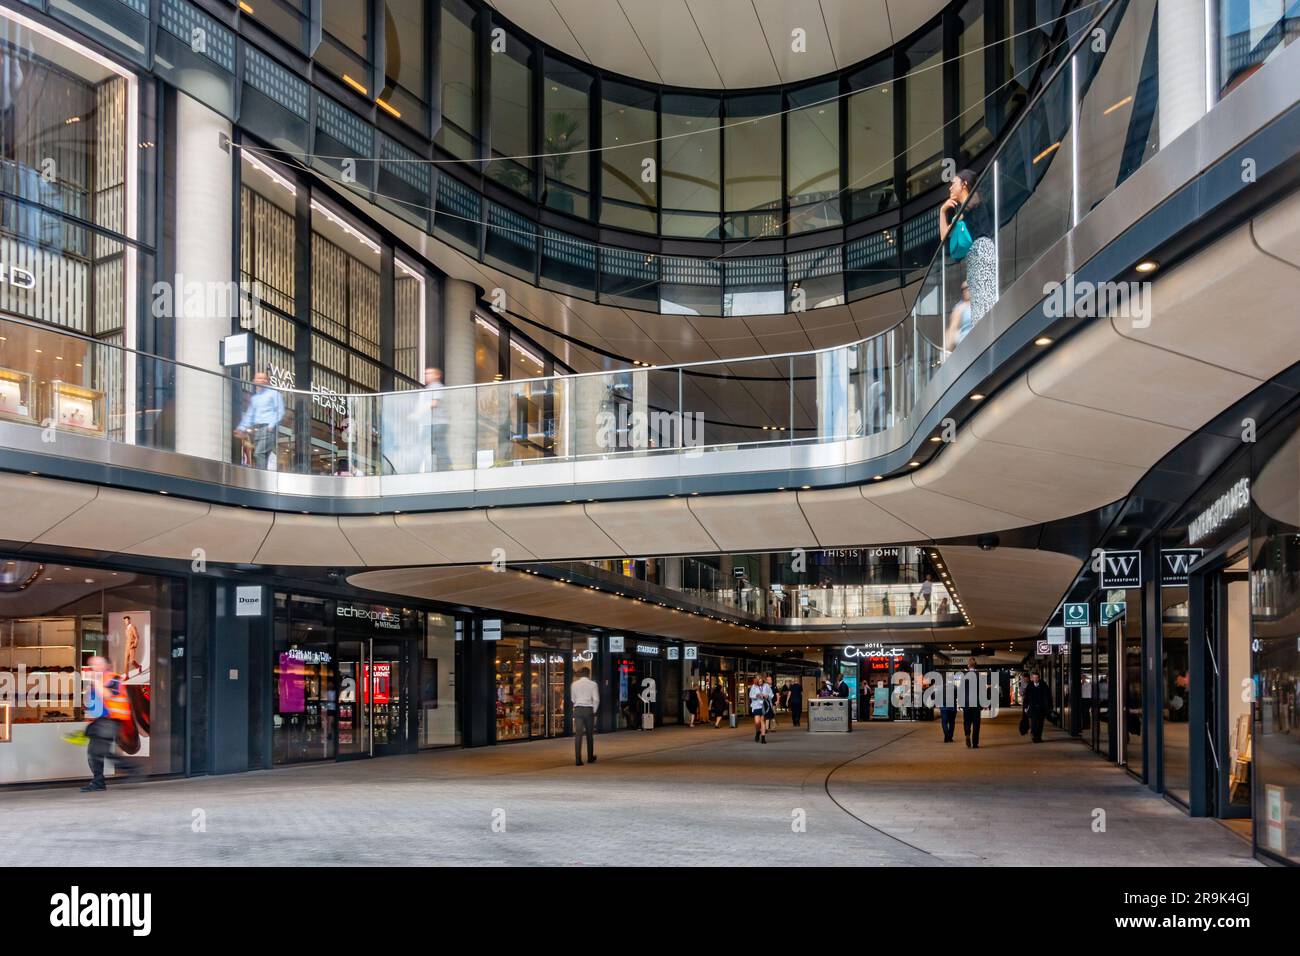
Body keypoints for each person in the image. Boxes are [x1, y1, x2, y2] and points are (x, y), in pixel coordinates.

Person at [938, 168, 997, 324]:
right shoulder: (962, 210)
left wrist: (955, 215)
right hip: (973, 256)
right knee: (978, 299)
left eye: (953, 183)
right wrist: (942, 212)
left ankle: (987, 328)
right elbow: (944, 236)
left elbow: (951, 230)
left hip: (981, 250)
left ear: (964, 184)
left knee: (984, 298)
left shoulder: (973, 200)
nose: (950, 188)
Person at [80, 656, 132, 792]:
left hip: (111, 720)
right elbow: (95, 705)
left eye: (97, 664)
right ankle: (99, 781)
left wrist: (96, 681)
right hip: (101, 721)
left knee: (98, 751)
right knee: (94, 752)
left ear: (106, 665)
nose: (94, 667)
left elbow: (108, 695)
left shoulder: (114, 678)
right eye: (92, 665)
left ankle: (131, 769)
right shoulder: (97, 681)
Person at [233, 371, 285, 469]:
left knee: (259, 454)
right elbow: (249, 415)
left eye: (264, 379)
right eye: (259, 378)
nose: (262, 381)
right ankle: (263, 477)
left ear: (268, 381)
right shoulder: (255, 398)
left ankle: (262, 477)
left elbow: (280, 411)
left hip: (268, 428)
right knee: (261, 455)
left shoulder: (274, 394)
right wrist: (241, 428)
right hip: (258, 430)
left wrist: (271, 425)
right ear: (254, 381)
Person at [421, 367, 450, 472]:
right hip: (431, 423)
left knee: (439, 447)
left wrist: (418, 412)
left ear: (437, 375)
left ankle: (445, 469)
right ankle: (434, 468)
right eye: (425, 373)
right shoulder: (428, 388)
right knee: (434, 447)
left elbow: (434, 403)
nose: (426, 375)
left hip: (437, 423)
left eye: (429, 373)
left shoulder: (437, 386)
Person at [570, 666, 599, 766]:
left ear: (581, 674)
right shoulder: (593, 684)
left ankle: (578, 759)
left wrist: (578, 703)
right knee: (589, 735)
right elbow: (596, 699)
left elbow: (573, 699)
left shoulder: (574, 684)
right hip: (588, 710)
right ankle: (590, 757)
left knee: (578, 735)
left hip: (578, 710)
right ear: (588, 674)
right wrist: (594, 710)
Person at [1024, 670, 1052, 743]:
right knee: (1034, 724)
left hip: (1041, 708)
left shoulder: (1044, 686)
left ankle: (1039, 737)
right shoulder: (1029, 686)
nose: (1035, 679)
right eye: (1034, 678)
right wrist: (1025, 707)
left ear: (1039, 678)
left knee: (1040, 724)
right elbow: (1026, 698)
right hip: (1033, 708)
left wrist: (1049, 707)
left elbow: (1049, 697)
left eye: (1036, 677)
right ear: (1032, 678)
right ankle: (1034, 736)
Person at [945, 281, 973, 352]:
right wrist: (948, 349)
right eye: (963, 289)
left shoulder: (979, 303)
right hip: (966, 345)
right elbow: (953, 328)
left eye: (968, 287)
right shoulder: (960, 307)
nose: (966, 290)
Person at [960, 658, 982, 748]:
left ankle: (967, 734)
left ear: (968, 666)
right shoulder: (979, 676)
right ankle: (975, 743)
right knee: (976, 723)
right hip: (976, 703)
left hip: (966, 703)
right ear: (975, 665)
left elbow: (961, 690)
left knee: (967, 721)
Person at [748, 675, 772, 744]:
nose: (760, 682)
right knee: (757, 722)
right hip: (756, 706)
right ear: (756, 681)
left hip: (764, 706)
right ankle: (758, 731)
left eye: (761, 681)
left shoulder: (766, 686)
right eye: (759, 681)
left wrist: (767, 696)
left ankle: (763, 738)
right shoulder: (754, 686)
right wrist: (757, 695)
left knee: (762, 721)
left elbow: (771, 694)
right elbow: (750, 695)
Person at [940, 672, 958, 742]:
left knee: (944, 722)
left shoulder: (941, 687)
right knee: (952, 722)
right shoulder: (955, 687)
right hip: (952, 707)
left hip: (943, 707)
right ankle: (949, 737)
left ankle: (946, 736)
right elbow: (957, 696)